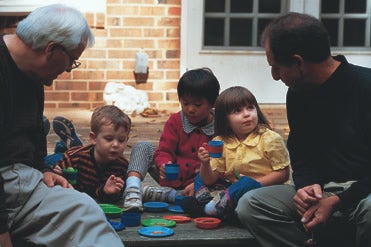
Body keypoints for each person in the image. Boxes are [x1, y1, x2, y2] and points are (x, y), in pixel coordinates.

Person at [235, 12, 371, 246]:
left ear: (298, 62)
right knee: (250, 204)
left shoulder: (365, 87)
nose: (275, 76)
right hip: (323, 192)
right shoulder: (298, 93)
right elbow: (300, 153)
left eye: (276, 67)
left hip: (363, 194)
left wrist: (338, 200)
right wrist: (307, 186)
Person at [0, 4, 124, 247]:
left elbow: (34, 132)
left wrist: (42, 168)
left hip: (24, 181)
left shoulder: (33, 73)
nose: (68, 70)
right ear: (52, 49)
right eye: (72, 61)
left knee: (86, 209)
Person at [181, 86, 290, 218]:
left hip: (264, 190)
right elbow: (210, 180)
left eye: (250, 107)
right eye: (237, 111)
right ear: (225, 119)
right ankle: (218, 204)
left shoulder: (270, 138)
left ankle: (210, 209)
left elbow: (283, 174)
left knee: (245, 184)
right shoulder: (221, 141)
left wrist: (252, 185)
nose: (246, 114)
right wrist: (205, 164)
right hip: (232, 189)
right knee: (199, 178)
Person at [122, 67, 220, 211]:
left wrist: (201, 182)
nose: (190, 109)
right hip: (172, 177)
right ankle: (133, 190)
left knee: (214, 196)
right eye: (185, 103)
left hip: (204, 182)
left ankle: (169, 195)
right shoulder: (175, 121)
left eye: (197, 105)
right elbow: (164, 150)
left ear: (212, 103)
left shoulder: (220, 126)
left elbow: (223, 162)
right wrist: (164, 163)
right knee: (143, 147)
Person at [53, 105, 130, 203]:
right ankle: (63, 146)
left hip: (89, 199)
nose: (115, 144)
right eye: (109, 139)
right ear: (94, 138)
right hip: (64, 160)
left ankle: (70, 143)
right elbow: (54, 180)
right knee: (51, 159)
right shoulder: (75, 158)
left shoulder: (122, 166)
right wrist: (57, 173)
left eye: (121, 140)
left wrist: (107, 192)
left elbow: (112, 199)